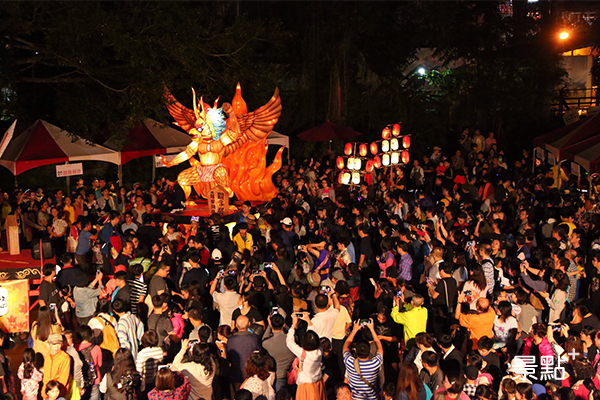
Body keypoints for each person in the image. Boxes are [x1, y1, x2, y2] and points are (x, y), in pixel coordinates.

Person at [287, 313, 326, 400]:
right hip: (318, 383)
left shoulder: (302, 353)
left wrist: (293, 325)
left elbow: (289, 342)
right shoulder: (319, 351)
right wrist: (308, 321)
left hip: (306, 386)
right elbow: (313, 336)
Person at [343, 319, 384, 400]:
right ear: (370, 351)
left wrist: (354, 330)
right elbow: (379, 346)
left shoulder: (349, 362)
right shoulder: (375, 363)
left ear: (355, 351)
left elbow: (345, 346)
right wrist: (372, 329)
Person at [226, 315, 261, 395]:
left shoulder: (231, 340)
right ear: (249, 324)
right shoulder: (254, 338)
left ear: (236, 325)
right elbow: (259, 353)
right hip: (251, 374)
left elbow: (229, 357)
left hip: (236, 374)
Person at [262, 314, 296, 392]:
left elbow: (263, 339)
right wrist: (287, 326)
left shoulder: (267, 343)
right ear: (283, 324)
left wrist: (269, 326)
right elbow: (292, 333)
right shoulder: (290, 339)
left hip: (278, 375)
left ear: (271, 325)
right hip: (292, 374)